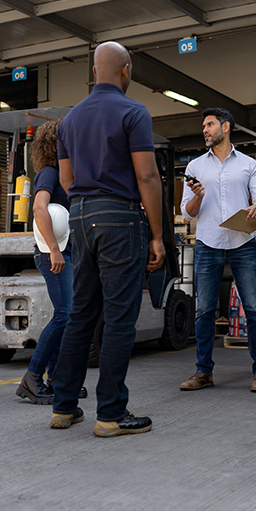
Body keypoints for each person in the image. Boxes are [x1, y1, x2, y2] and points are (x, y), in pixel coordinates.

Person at [49, 41, 166, 438]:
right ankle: (111, 413)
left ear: (93, 71)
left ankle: (63, 407)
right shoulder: (134, 112)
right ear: (126, 70)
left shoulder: (69, 121)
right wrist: (157, 234)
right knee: (119, 318)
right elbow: (147, 177)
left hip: (80, 216)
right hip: (119, 217)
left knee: (82, 312)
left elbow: (66, 181)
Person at [179, 107, 256, 393]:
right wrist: (196, 198)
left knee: (253, 309)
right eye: (204, 126)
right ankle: (203, 371)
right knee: (204, 310)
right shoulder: (195, 167)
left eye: (209, 124)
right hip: (208, 243)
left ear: (226, 127)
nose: (204, 130)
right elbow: (187, 214)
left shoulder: (248, 164)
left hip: (242, 243)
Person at [15, 120, 86, 405]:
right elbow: (38, 208)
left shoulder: (68, 176)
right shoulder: (48, 173)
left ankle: (56, 379)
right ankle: (32, 378)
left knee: (67, 316)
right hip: (52, 253)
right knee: (65, 315)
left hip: (67, 251)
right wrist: (54, 250)